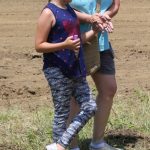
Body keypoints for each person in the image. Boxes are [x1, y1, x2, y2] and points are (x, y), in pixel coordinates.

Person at [34, 0, 99, 150]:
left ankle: (60, 144)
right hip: (57, 69)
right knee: (62, 113)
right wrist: (64, 45)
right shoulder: (48, 13)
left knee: (90, 107)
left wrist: (95, 31)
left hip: (76, 67)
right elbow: (39, 45)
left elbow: (76, 40)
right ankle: (60, 145)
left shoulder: (68, 9)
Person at [68, 0, 120, 150]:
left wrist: (105, 16)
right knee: (75, 97)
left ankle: (97, 142)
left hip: (101, 42)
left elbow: (115, 4)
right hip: (73, 42)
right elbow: (58, 8)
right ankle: (72, 146)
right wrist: (90, 19)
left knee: (109, 89)